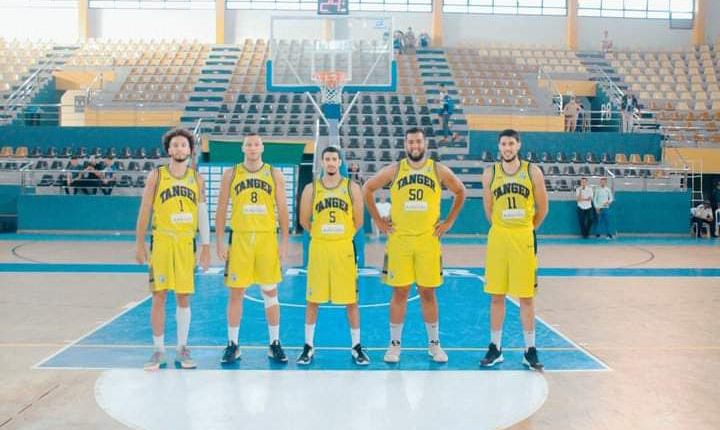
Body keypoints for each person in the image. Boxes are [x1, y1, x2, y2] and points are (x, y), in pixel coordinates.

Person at [363, 127, 466, 364]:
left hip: (428, 241)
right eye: (411, 142)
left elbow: (460, 191)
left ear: (425, 143)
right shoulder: (396, 169)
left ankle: (434, 344)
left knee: (428, 292)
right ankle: (394, 345)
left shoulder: (437, 169)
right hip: (400, 241)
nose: (415, 145)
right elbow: (368, 188)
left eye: (418, 141)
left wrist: (449, 222)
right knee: (399, 292)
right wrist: (378, 220)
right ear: (405, 144)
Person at [134, 127, 211, 370]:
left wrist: (206, 246)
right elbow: (145, 210)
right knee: (159, 295)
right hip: (163, 241)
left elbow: (202, 213)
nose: (179, 148)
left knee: (183, 296)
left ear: (190, 150)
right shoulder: (156, 176)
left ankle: (182, 348)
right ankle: (158, 351)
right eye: (175, 145)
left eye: (183, 145)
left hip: (186, 243)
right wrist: (139, 243)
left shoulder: (197, 179)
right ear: (169, 149)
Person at [215, 133, 290, 364]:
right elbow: (221, 208)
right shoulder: (231, 174)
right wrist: (219, 240)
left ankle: (275, 343)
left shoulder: (274, 173)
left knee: (270, 291)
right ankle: (233, 344)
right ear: (243, 148)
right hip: (240, 238)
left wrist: (284, 241)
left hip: (266, 238)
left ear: (262, 147)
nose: (253, 147)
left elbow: (283, 208)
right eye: (249, 144)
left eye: (256, 144)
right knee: (236, 292)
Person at [479, 129, 549, 371]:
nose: (507, 148)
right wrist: (503, 227)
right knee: (496, 295)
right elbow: (488, 209)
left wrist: (526, 229)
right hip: (499, 238)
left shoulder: (532, 171)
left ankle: (530, 350)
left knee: (526, 297)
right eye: (503, 144)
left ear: (518, 145)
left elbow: (543, 208)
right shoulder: (490, 173)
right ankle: (495, 347)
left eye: (511, 143)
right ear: (499, 147)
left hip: (523, 238)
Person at [296, 146, 370, 366]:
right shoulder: (311, 189)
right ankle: (308, 346)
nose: (330, 162)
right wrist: (322, 234)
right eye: (327, 159)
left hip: (343, 249)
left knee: (351, 300)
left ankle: (356, 346)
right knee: (313, 299)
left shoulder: (351, 187)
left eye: (334, 159)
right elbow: (303, 220)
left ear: (339, 162)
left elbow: (359, 221)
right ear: (322, 162)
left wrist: (341, 235)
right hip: (320, 247)